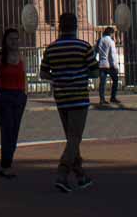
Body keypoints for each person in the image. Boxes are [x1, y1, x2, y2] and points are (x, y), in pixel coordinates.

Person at [39, 12, 98, 192]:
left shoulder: (51, 49)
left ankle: (80, 176)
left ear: (60, 26)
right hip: (79, 97)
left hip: (61, 97)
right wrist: (78, 75)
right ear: (76, 26)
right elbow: (95, 72)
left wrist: (59, 77)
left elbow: (43, 74)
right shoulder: (84, 47)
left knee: (71, 137)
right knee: (75, 138)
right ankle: (62, 173)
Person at [0, 27, 29, 178]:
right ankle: (6, 165)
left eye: (16, 39)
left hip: (19, 97)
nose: (14, 42)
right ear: (5, 41)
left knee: (15, 130)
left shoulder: (22, 57)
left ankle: (8, 161)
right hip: (4, 97)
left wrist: (25, 93)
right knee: (7, 129)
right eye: (11, 39)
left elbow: (24, 77)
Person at [94, 25, 122, 106]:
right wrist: (115, 66)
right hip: (109, 65)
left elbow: (95, 51)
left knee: (102, 83)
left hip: (101, 64)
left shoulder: (100, 40)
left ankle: (102, 99)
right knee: (115, 80)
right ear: (111, 33)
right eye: (113, 33)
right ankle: (113, 97)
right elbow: (112, 55)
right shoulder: (111, 41)